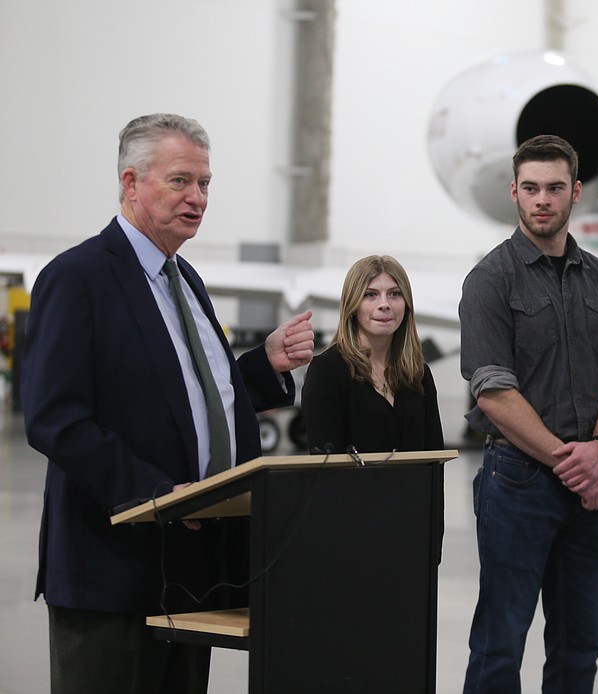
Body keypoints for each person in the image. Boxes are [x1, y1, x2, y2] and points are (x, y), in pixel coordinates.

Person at [21, 113, 315, 694]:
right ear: (131, 183)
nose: (198, 198)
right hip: (114, 568)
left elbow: (188, 394)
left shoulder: (185, 280)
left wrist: (263, 365)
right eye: (180, 181)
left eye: (205, 184)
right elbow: (54, 418)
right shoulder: (78, 277)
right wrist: (154, 494)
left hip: (185, 575)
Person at [458, 134, 598, 693]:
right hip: (517, 482)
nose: (543, 199)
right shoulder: (490, 280)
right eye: (531, 188)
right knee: (500, 641)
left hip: (590, 483)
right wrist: (574, 462)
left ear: (575, 193)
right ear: (514, 192)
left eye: (555, 188)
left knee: (581, 643)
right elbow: (493, 391)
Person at [302, 254, 443, 454]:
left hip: (414, 486)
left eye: (394, 294)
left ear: (406, 306)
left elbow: (435, 460)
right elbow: (325, 468)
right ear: (352, 306)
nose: (384, 304)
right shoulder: (327, 372)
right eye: (370, 294)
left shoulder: (419, 375)